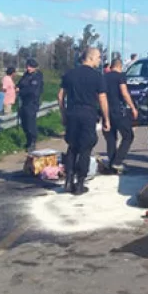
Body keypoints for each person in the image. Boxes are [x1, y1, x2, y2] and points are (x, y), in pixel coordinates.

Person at [58, 48, 110, 194]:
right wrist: (106, 119)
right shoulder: (97, 76)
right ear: (91, 58)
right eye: (99, 57)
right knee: (85, 149)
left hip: (72, 113)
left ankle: (68, 180)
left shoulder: (70, 74)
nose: (100, 60)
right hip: (88, 114)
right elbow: (102, 99)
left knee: (72, 147)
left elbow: (60, 96)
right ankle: (80, 184)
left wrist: (63, 114)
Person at [102, 58, 138, 174]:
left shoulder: (103, 77)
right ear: (120, 66)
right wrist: (132, 107)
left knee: (111, 139)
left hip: (106, 111)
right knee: (128, 136)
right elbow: (124, 92)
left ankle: (111, 163)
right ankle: (117, 162)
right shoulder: (120, 77)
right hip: (119, 111)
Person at [17, 58, 44, 152]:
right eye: (27, 66)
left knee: (30, 123)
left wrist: (20, 91)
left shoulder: (37, 77)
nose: (28, 68)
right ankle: (28, 140)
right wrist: (17, 88)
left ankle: (33, 142)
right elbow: (20, 84)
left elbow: (32, 91)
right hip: (24, 102)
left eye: (31, 67)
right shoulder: (26, 75)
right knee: (24, 122)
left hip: (32, 103)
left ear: (35, 67)